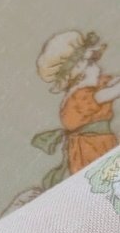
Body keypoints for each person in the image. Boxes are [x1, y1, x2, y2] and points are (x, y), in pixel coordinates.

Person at [33, 29, 119, 188]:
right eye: (91, 64)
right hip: (93, 149)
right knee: (106, 183)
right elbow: (110, 92)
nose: (99, 68)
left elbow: (110, 84)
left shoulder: (87, 89)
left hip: (96, 145)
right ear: (78, 72)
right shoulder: (80, 97)